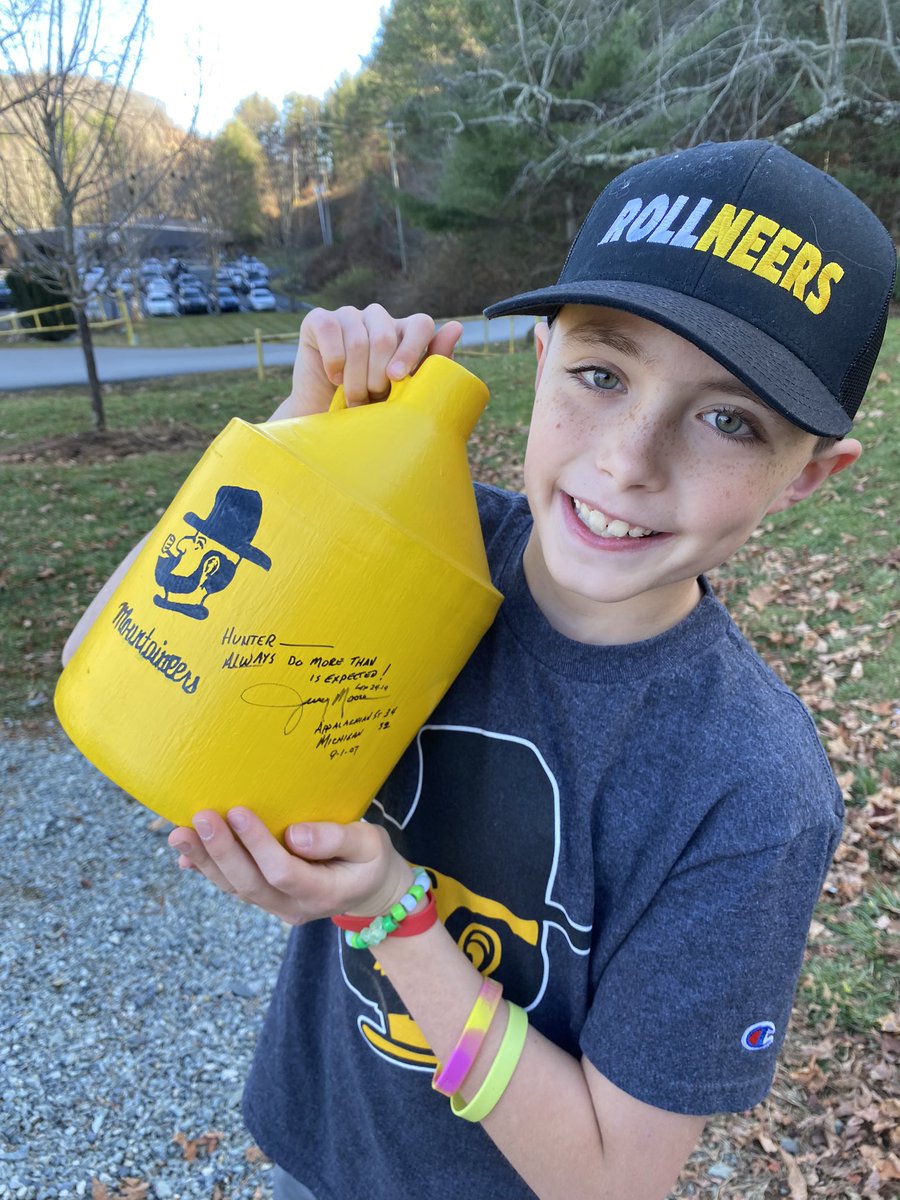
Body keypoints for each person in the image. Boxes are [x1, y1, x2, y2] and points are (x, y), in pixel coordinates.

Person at [63, 141, 895, 1200]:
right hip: (314, 1158)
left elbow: (611, 1180)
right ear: (542, 357)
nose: (629, 460)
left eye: (729, 420)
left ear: (811, 475)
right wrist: (297, 441)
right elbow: (104, 653)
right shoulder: (409, 549)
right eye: (603, 372)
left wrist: (386, 910)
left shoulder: (749, 787)